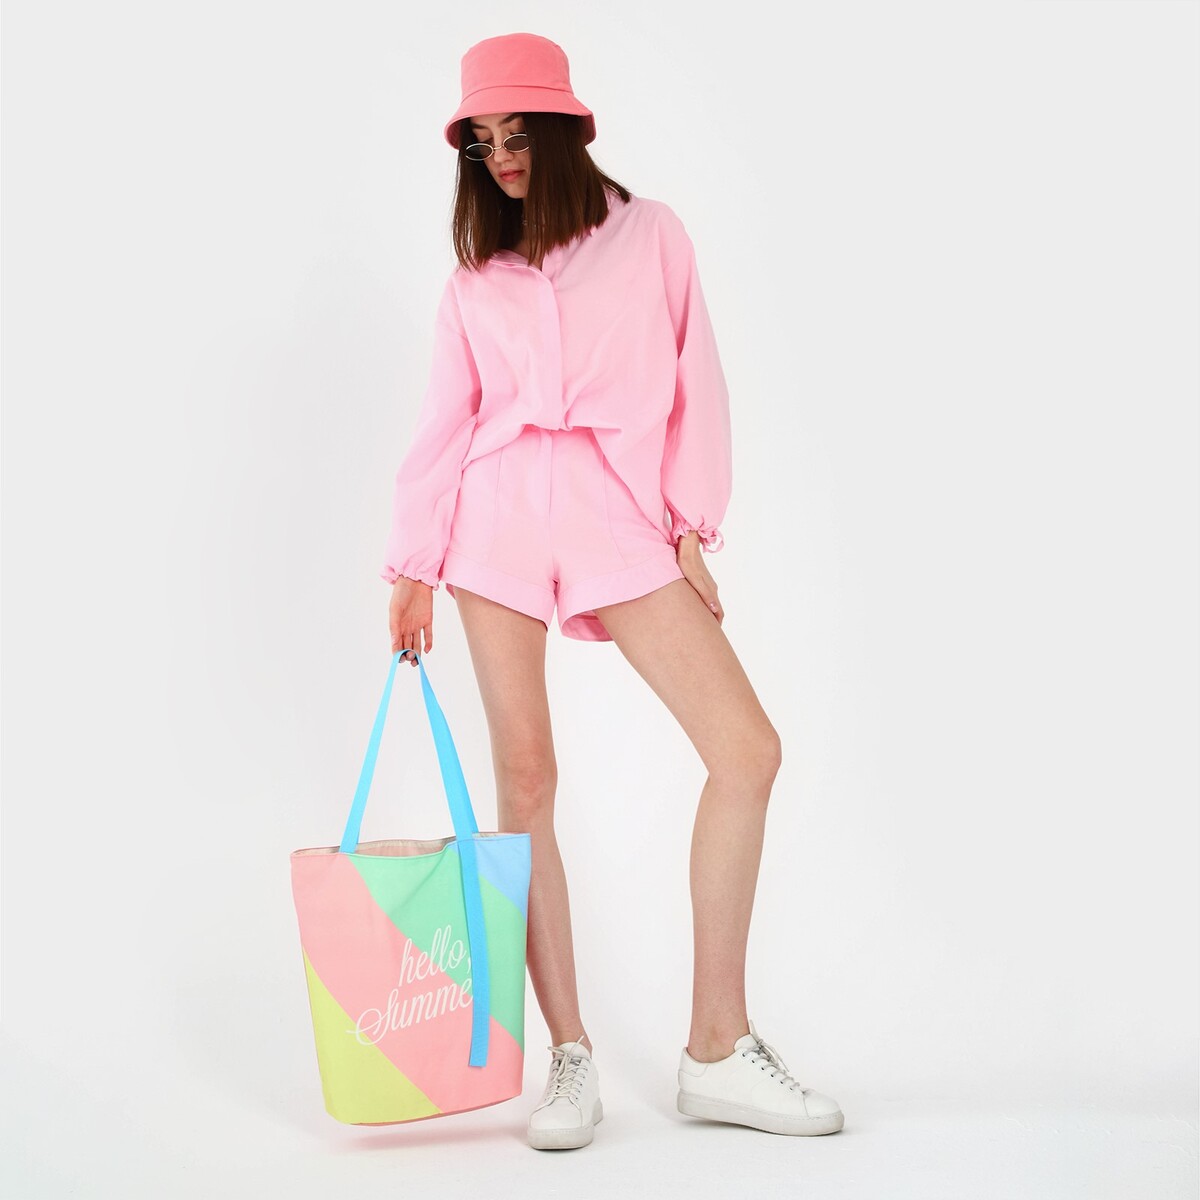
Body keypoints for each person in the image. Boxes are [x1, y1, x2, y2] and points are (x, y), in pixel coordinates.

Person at [381, 32, 844, 1150]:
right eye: (481, 141)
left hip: (616, 515)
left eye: (515, 134)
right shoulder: (473, 282)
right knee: (526, 780)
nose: (500, 156)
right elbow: (445, 425)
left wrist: (688, 527)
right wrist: (411, 566)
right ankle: (570, 1059)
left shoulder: (651, 235)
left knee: (746, 752)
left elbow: (696, 381)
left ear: (563, 129)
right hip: (492, 520)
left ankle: (717, 1046)